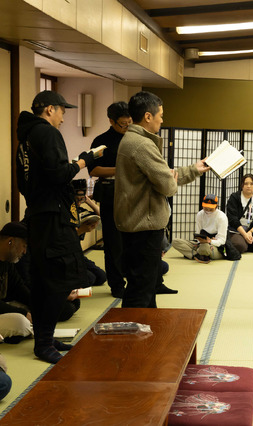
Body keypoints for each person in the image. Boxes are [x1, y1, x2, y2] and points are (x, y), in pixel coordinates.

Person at [16, 90, 97, 363]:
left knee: (44, 279)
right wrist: (84, 161)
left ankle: (45, 339)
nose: (63, 117)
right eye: (62, 111)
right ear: (50, 109)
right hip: (52, 218)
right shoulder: (47, 133)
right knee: (58, 280)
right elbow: (60, 173)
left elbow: (24, 183)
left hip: (37, 215)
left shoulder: (25, 138)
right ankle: (43, 344)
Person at [114, 91, 209, 308]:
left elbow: (163, 176)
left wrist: (194, 169)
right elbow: (167, 184)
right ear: (148, 116)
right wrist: (170, 181)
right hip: (143, 228)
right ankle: (133, 329)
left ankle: (145, 327)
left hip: (137, 225)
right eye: (161, 115)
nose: (162, 120)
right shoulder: (142, 145)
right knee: (141, 290)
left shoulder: (133, 140)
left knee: (145, 288)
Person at [89, 102, 132, 298]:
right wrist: (119, 169)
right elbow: (93, 170)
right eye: (123, 124)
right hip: (110, 194)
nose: (126, 127)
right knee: (113, 242)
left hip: (133, 193)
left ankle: (134, 280)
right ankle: (117, 285)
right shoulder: (101, 141)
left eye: (129, 122)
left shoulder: (134, 138)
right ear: (111, 121)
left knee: (132, 241)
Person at [172, 194, 237, 263]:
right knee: (175, 242)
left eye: (211, 209)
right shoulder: (200, 214)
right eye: (206, 208)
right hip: (201, 243)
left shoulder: (222, 217)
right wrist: (199, 240)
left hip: (215, 246)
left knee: (204, 247)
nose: (208, 210)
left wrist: (210, 241)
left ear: (216, 206)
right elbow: (198, 234)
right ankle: (197, 255)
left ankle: (195, 254)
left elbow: (222, 241)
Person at [0, 222, 33, 343]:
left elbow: (19, 287)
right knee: (20, 322)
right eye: (24, 246)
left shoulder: (7, 262)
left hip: (4, 306)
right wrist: (23, 313)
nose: (24, 252)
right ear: (11, 242)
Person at [226, 173, 253, 254]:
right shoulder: (235, 198)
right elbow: (233, 219)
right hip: (238, 230)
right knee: (239, 246)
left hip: (252, 230)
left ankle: (248, 242)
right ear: (242, 185)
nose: (248, 186)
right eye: (246, 183)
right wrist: (244, 234)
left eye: (251, 184)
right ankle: (244, 242)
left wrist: (250, 232)